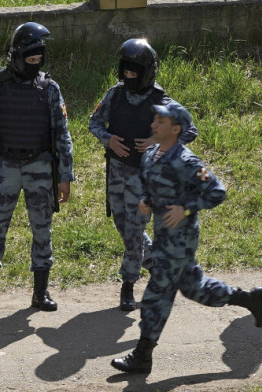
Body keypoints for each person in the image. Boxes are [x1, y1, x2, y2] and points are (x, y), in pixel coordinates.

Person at [110, 102, 262, 374]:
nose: (153, 125)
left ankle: (142, 356)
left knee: (156, 295)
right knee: (195, 288)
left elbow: (217, 191)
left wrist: (186, 208)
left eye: (161, 122)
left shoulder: (187, 162)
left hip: (180, 240)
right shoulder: (150, 155)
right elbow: (154, 187)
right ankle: (248, 299)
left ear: (176, 129)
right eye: (155, 119)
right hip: (162, 235)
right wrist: (148, 200)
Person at [0, 22, 74, 312]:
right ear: (17, 56)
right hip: (6, 167)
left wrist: (65, 177)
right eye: (30, 59)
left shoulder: (50, 89)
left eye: (39, 60)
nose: (35, 65)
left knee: (42, 230)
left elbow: (62, 133)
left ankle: (41, 293)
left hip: (40, 166)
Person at [89, 38, 198, 311]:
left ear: (147, 71)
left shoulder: (162, 102)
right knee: (122, 225)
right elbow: (94, 122)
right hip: (116, 171)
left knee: (135, 229)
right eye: (125, 71)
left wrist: (156, 141)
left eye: (134, 72)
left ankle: (128, 284)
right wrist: (108, 138)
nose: (128, 76)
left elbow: (189, 131)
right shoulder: (114, 94)